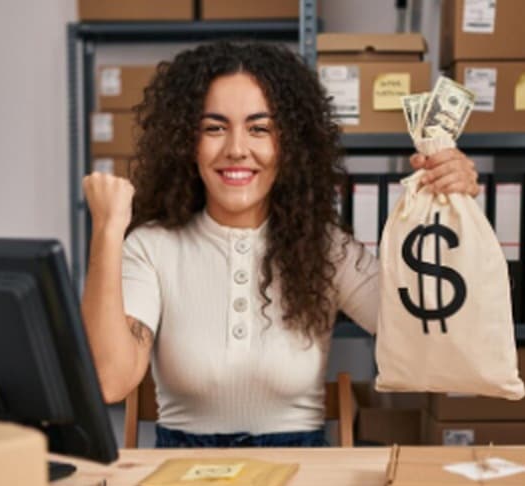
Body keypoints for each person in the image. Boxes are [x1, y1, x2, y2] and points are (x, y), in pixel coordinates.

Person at [81, 40, 479, 448]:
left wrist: (452, 208)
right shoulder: (151, 248)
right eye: (214, 128)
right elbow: (109, 382)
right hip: (182, 479)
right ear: (186, 142)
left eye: (260, 129)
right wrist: (108, 231)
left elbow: (429, 338)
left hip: (300, 474)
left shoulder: (324, 247)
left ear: (289, 145)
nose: (237, 149)